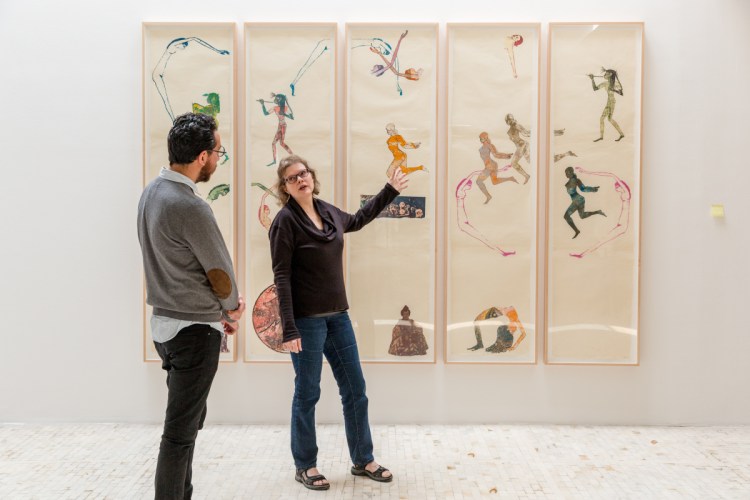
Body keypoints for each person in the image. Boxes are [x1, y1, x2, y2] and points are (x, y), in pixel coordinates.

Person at [269, 154, 407, 490]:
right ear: (285, 188)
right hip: (305, 323)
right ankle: (306, 465)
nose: (301, 179)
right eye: (292, 178)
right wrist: (288, 328)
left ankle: (363, 459)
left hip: (338, 318)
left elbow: (359, 218)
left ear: (312, 176)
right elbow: (282, 277)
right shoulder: (284, 222)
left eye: (304, 173)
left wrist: (389, 190)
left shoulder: (328, 212)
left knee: (355, 390)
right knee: (307, 393)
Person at [137, 112, 246, 499]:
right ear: (202, 156)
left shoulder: (151, 193)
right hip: (193, 334)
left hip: (164, 327)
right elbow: (218, 270)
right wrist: (231, 307)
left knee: (187, 423)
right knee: (179, 434)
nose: (218, 159)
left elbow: (176, 266)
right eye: (218, 152)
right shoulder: (190, 205)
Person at [563, 166, 606, 239]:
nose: (566, 174)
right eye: (565, 173)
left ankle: (577, 231)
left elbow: (583, 189)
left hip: (577, 200)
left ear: (571, 172)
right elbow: (582, 189)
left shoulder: (576, 180)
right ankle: (597, 211)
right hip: (579, 200)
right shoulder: (571, 182)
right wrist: (593, 189)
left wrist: (593, 189)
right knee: (582, 216)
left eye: (567, 173)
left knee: (566, 216)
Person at [476, 131, 517, 204]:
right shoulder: (482, 147)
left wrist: (506, 156)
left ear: (486, 138)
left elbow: (496, 154)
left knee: (479, 181)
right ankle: (510, 178)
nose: (481, 139)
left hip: (490, 166)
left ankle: (488, 196)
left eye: (482, 138)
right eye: (480, 138)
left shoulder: (489, 145)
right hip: (490, 166)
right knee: (495, 182)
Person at [588, 67, 625, 142]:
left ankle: (619, 134)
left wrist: (614, 89)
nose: (604, 75)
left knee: (606, 119)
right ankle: (620, 134)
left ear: (610, 74)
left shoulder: (615, 83)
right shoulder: (605, 83)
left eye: (606, 73)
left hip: (611, 102)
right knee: (608, 119)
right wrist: (592, 79)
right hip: (609, 102)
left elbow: (621, 93)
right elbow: (595, 88)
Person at [258, 92, 294, 166]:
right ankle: (275, 160)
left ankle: (293, 156)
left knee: (281, 143)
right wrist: (262, 104)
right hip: (280, 126)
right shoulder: (275, 108)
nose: (275, 99)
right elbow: (266, 113)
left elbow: (292, 117)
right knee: (274, 143)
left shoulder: (285, 108)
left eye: (277, 99)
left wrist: (284, 114)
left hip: (283, 126)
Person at [504, 113, 532, 184]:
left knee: (513, 163)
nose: (511, 120)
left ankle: (527, 176)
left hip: (522, 145)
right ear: (507, 121)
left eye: (511, 118)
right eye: (509, 119)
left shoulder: (516, 126)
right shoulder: (509, 131)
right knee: (530, 161)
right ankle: (527, 176)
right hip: (521, 146)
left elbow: (526, 133)